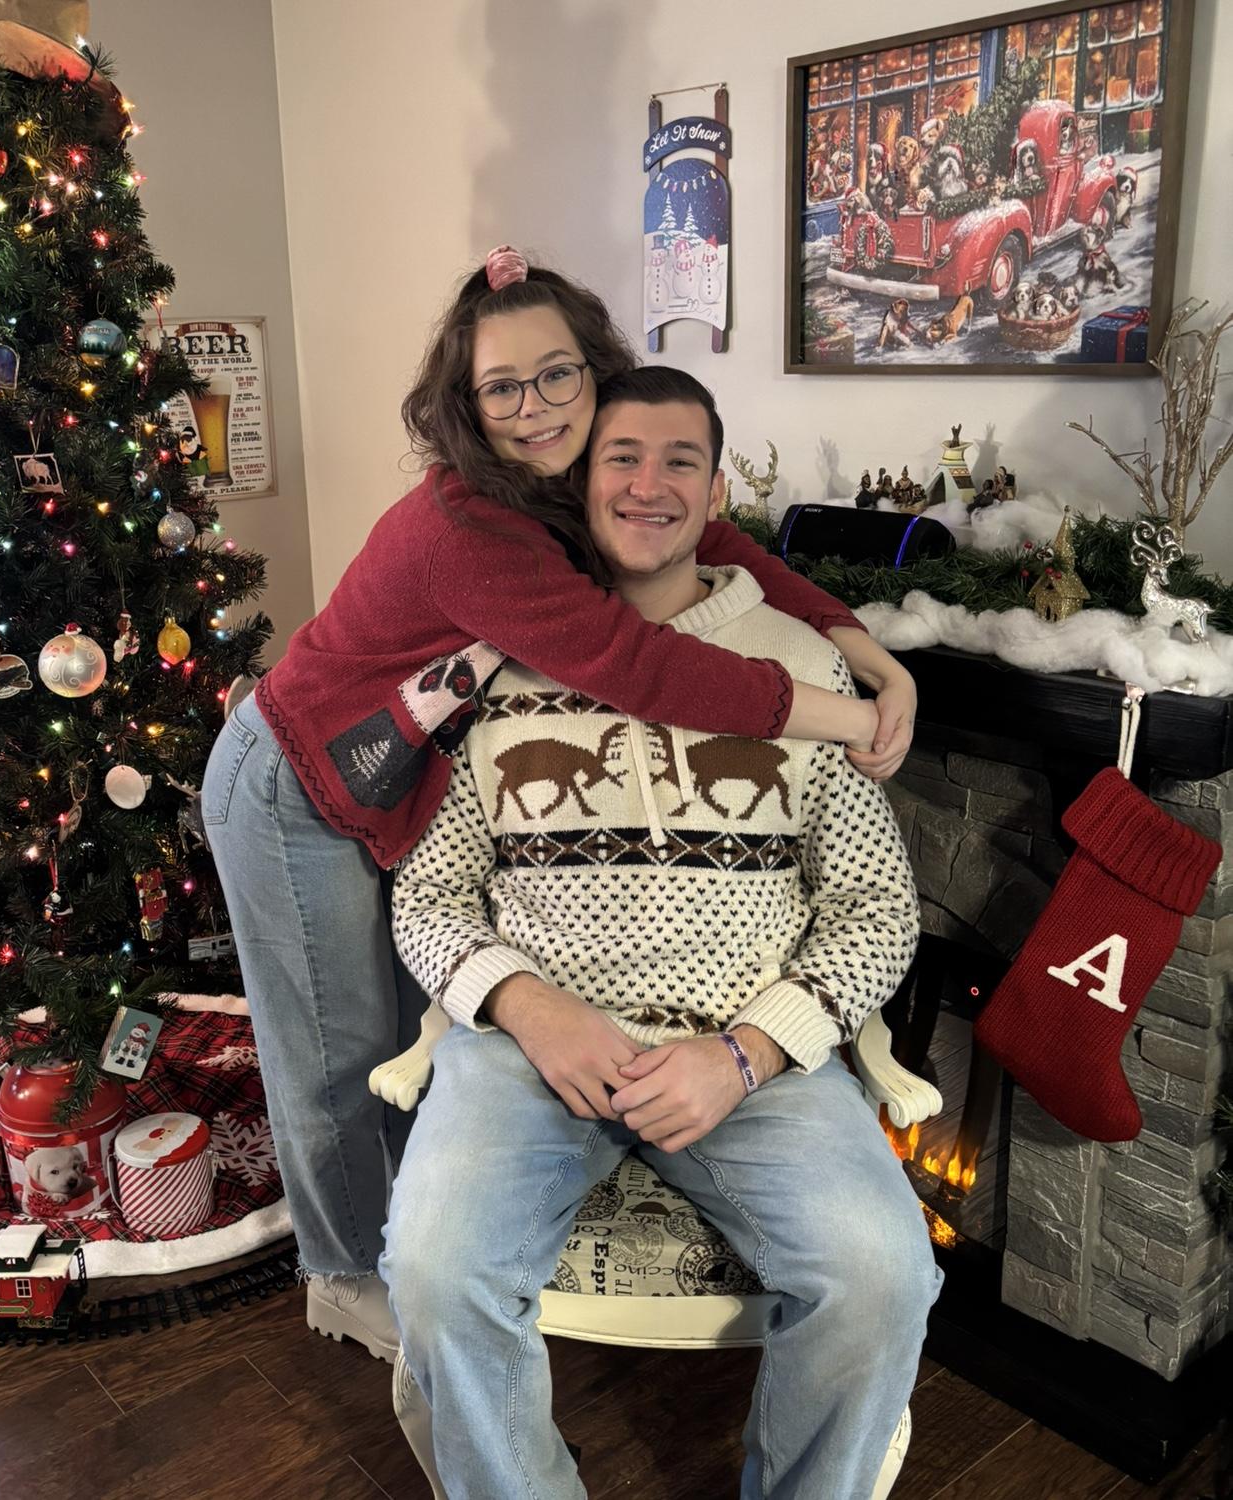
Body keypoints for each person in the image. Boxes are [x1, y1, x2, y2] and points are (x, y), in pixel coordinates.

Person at [202, 247, 919, 1363]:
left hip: (398, 768)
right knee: (339, 1050)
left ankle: (420, 1244)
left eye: (556, 376)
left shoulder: (573, 486)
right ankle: (344, 1273)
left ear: (596, 373)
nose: (533, 407)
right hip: (296, 777)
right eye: (501, 388)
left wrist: (855, 641)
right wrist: (843, 715)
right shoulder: (470, 526)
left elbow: (722, 539)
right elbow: (647, 670)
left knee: (404, 1015)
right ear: (465, 403)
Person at [383, 367, 937, 1498]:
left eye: (680, 460)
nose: (649, 484)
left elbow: (879, 907)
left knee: (882, 1275)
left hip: (746, 1052)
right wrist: (531, 1010)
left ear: (716, 489)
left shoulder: (803, 666)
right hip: (534, 1051)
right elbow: (427, 896)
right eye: (621, 458)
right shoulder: (502, 662)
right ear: (581, 482)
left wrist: (750, 1051)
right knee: (437, 1272)